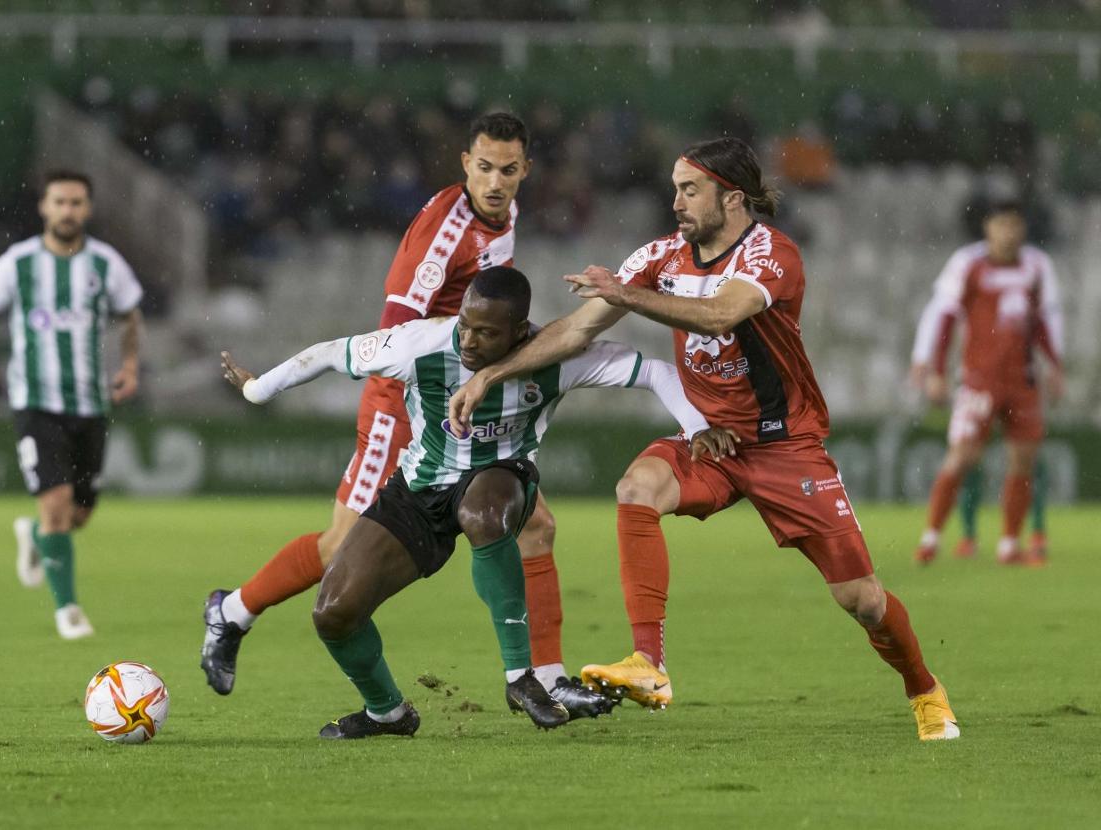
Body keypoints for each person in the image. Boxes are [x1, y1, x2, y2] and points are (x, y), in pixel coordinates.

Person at [448, 138, 960, 741]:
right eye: (675, 188)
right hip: (711, 442)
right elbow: (577, 330)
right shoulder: (663, 256)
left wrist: (625, 294)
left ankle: (924, 689)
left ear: (733, 198)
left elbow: (720, 315)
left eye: (691, 189)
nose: (676, 201)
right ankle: (649, 665)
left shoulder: (774, 254)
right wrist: (492, 372)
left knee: (863, 601)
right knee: (637, 487)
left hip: (784, 447)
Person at [211, 267, 738, 738]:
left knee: (485, 511)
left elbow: (652, 371)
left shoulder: (555, 357)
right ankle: (387, 715)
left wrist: (696, 428)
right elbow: (330, 354)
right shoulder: (420, 344)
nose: (468, 339)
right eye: (465, 323)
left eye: (486, 332)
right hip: (419, 490)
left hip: (502, 478)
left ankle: (522, 678)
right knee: (333, 613)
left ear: (520, 332)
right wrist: (258, 390)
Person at [201, 112, 600, 712]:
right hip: (408, 405)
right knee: (341, 548)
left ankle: (545, 675)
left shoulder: (501, 214)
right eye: (484, 167)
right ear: (464, 163)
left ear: (526, 170)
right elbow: (394, 337)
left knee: (535, 524)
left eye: (508, 170)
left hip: (464, 399)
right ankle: (231, 612)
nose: (495, 181)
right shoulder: (446, 239)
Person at [0, 170, 143, 639]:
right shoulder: (17, 263)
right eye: (59, 202)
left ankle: (35, 536)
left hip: (90, 403)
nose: (68, 211)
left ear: (88, 208)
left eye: (77, 203)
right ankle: (68, 611)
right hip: (36, 402)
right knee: (57, 503)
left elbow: (130, 316)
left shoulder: (106, 264)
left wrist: (130, 365)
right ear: (44, 207)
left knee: (76, 515)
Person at [910, 200, 1064, 566]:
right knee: (963, 456)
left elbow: (1041, 321)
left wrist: (1055, 366)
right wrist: (936, 370)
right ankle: (931, 537)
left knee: (1023, 460)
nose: (1009, 233)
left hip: (1022, 381)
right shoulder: (969, 265)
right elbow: (946, 316)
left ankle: (1010, 544)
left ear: (1022, 229)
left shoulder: (1036, 267)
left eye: (1015, 225)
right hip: (979, 381)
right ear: (987, 228)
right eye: (1002, 225)